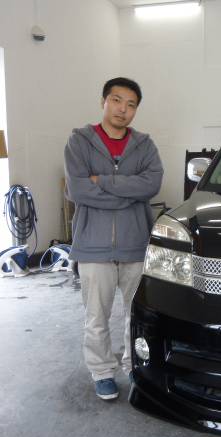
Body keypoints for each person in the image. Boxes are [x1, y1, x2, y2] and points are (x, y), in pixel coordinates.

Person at [64, 77, 163, 400]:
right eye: (117, 100)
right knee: (96, 317)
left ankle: (133, 366)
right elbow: (78, 190)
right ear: (104, 101)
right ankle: (102, 372)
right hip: (93, 247)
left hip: (135, 245)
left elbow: (151, 185)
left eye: (131, 104)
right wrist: (128, 193)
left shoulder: (144, 145)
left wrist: (103, 182)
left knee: (136, 316)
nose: (123, 109)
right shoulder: (80, 142)